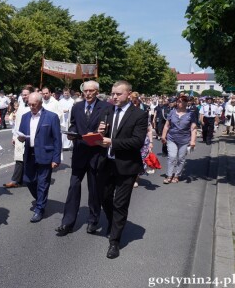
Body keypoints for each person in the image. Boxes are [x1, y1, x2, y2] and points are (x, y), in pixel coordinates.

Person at [95, 80, 148, 259]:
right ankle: (112, 221)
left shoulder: (139, 115)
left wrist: (113, 142)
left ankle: (114, 241)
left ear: (129, 94)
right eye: (113, 93)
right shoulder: (107, 111)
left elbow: (137, 141)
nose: (114, 97)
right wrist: (99, 132)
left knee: (120, 204)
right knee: (104, 198)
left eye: (118, 94)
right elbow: (101, 135)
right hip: (107, 163)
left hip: (127, 166)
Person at [56, 80, 111, 236]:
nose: (88, 94)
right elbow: (73, 124)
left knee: (94, 189)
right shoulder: (77, 107)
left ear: (97, 92)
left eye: (91, 91)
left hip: (96, 153)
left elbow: (109, 129)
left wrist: (104, 131)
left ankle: (93, 220)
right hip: (80, 152)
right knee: (73, 186)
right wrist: (73, 133)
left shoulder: (106, 107)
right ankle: (67, 222)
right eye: (85, 91)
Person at [17, 92, 62, 223]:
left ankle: (40, 208)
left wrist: (56, 158)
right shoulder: (25, 117)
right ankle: (41, 199)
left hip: (45, 154)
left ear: (41, 103)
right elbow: (21, 134)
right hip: (30, 153)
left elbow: (57, 139)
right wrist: (20, 138)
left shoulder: (51, 117)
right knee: (29, 180)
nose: (31, 107)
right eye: (29, 104)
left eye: (34, 104)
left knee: (43, 183)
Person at [160, 96, 197, 183]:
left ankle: (177, 175)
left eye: (182, 101)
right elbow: (167, 125)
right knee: (172, 157)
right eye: (178, 101)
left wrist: (193, 141)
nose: (180, 102)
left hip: (184, 140)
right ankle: (169, 175)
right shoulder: (172, 112)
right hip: (171, 138)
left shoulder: (191, 114)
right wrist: (163, 136)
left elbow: (193, 128)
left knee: (181, 158)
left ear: (186, 103)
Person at [3, 85, 33, 188]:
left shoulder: (33, 106)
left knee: (28, 159)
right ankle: (16, 180)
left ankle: (24, 179)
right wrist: (14, 136)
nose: (24, 96)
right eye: (23, 95)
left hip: (29, 136)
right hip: (19, 135)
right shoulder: (21, 105)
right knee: (19, 159)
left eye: (26, 95)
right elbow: (17, 122)